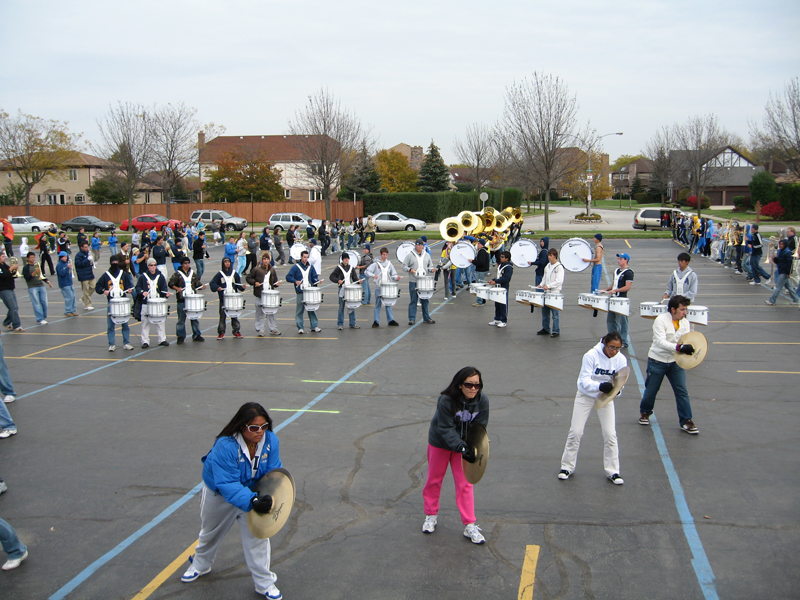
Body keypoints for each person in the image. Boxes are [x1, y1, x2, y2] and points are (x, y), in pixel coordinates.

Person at [181, 402, 284, 600]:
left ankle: (264, 583)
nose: (260, 432)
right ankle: (201, 564)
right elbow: (227, 483)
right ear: (241, 426)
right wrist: (252, 500)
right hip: (219, 494)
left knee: (258, 538)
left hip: (251, 493)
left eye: (264, 426)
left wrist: (269, 496)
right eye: (254, 427)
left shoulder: (271, 441)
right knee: (210, 532)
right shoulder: (225, 445)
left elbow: (274, 472)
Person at [422, 366, 489, 545]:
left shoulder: (483, 401)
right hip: (440, 443)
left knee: (465, 484)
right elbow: (445, 428)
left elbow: (480, 427)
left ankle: (470, 524)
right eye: (469, 385)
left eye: (477, 385)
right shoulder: (446, 400)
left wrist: (474, 448)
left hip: (463, 446)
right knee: (434, 480)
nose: (474, 389)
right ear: (460, 385)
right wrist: (461, 447)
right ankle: (431, 515)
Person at [558, 332, 627, 485]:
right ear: (604, 343)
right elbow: (583, 381)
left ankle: (613, 471)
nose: (614, 351)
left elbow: (621, 383)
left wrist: (615, 391)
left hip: (606, 398)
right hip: (585, 396)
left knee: (610, 434)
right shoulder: (590, 356)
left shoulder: (621, 359)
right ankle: (566, 467)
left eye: (617, 348)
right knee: (576, 432)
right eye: (611, 347)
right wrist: (599, 386)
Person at [638, 295, 699, 434]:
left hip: (675, 362)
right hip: (657, 360)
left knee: (682, 392)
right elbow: (660, 342)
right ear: (673, 309)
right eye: (682, 309)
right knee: (651, 391)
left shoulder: (685, 323)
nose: (685, 312)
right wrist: (679, 348)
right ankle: (645, 412)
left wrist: (689, 349)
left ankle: (686, 420)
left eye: (685, 309)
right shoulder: (660, 320)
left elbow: (687, 339)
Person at [95, 255, 135, 352]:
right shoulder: (106, 275)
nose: (115, 265)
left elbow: (129, 285)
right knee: (111, 325)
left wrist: (129, 289)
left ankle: (126, 342)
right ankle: (112, 344)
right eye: (113, 263)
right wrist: (104, 291)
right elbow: (97, 287)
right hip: (111, 303)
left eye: (116, 263)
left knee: (125, 323)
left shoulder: (123, 274)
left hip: (122, 302)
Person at [169, 256, 206, 344]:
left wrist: (202, 287)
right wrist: (177, 288)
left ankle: (197, 334)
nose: (187, 265)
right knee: (181, 319)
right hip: (182, 299)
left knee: (194, 317)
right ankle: (181, 336)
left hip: (192, 300)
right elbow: (170, 283)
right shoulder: (177, 274)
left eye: (188, 263)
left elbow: (197, 284)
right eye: (185, 263)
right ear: (182, 264)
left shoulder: (193, 273)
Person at [136, 258, 171, 348]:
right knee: (145, 323)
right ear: (148, 266)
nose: (153, 267)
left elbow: (164, 289)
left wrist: (166, 294)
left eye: (155, 265)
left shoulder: (160, 276)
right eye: (151, 265)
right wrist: (142, 292)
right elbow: (138, 287)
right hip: (146, 303)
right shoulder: (143, 277)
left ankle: (162, 339)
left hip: (157, 303)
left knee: (160, 321)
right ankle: (145, 341)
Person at [209, 257, 246, 340]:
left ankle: (236, 330)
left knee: (234, 315)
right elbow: (212, 283)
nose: (227, 264)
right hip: (224, 299)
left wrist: (242, 287)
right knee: (222, 316)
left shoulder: (234, 274)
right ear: (223, 264)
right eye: (225, 262)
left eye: (228, 262)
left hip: (233, 299)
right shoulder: (220, 274)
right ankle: (221, 332)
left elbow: (238, 285)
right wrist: (217, 287)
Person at [246, 252, 282, 337]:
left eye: (267, 259)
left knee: (271, 313)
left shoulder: (272, 270)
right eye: (264, 259)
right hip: (260, 295)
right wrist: (255, 283)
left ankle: (273, 328)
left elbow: (274, 282)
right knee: (260, 313)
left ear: (269, 260)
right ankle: (260, 329)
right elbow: (248, 278)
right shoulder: (256, 269)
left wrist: (276, 284)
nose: (266, 261)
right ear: (262, 260)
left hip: (269, 295)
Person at [285, 250, 320, 334]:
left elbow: (314, 277)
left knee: (311, 309)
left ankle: (314, 326)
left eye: (307, 257)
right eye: (304, 257)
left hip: (309, 292)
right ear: (301, 257)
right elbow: (288, 277)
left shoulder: (311, 267)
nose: (306, 259)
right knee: (300, 310)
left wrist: (317, 281)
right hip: (300, 291)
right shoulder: (296, 267)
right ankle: (300, 327)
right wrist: (295, 281)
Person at [603, 253, 634, 347]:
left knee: (622, 322)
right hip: (613, 299)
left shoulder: (629, 273)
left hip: (621, 300)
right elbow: (613, 284)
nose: (618, 260)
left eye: (621, 259)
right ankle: (612, 339)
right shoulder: (616, 271)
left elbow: (627, 287)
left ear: (626, 260)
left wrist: (615, 290)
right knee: (611, 321)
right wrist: (605, 290)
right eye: (618, 259)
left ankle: (624, 341)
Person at [402, 238, 435, 326]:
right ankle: (412, 319)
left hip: (424, 281)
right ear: (415, 245)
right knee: (413, 300)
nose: (420, 246)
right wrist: (410, 269)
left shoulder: (427, 255)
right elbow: (404, 266)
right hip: (413, 280)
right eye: (418, 245)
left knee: (425, 300)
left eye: (421, 245)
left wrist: (432, 270)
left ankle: (426, 317)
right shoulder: (410, 255)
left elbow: (430, 266)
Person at [365, 247, 400, 327]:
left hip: (388, 288)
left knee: (388, 304)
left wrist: (396, 278)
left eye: (386, 255)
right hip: (379, 287)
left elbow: (393, 274)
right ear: (381, 254)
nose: (385, 256)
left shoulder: (389, 264)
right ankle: (376, 321)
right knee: (378, 304)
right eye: (383, 254)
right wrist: (374, 275)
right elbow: (367, 271)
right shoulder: (375, 264)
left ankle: (390, 320)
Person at [536, 248, 564, 337]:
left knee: (555, 314)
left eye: (551, 255)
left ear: (555, 256)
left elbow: (559, 281)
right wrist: (540, 285)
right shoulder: (547, 266)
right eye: (548, 255)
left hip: (555, 292)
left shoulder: (559, 267)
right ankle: (546, 328)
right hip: (546, 292)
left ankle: (556, 330)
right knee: (545, 312)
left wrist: (549, 286)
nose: (549, 257)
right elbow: (544, 278)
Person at [330, 252, 362, 330]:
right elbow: (331, 276)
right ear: (342, 259)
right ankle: (340, 324)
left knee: (352, 306)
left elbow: (354, 278)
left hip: (350, 290)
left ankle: (352, 323)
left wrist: (358, 281)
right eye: (345, 258)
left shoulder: (351, 268)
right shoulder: (338, 268)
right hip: (342, 289)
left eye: (347, 258)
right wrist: (338, 280)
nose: (346, 260)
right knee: (341, 307)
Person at [766, 239, 800, 305]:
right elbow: (779, 262)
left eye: (782, 244)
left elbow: (789, 264)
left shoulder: (787, 253)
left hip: (784, 272)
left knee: (778, 287)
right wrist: (774, 259)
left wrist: (788, 273)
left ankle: (772, 300)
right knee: (789, 287)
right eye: (780, 244)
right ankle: (796, 299)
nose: (781, 245)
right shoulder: (781, 251)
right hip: (781, 271)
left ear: (785, 245)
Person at [22, 251, 52, 325]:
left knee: (44, 302)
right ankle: (40, 318)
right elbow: (27, 278)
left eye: (34, 257)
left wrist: (47, 281)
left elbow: (41, 275)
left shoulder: (37, 265)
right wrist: (34, 273)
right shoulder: (26, 267)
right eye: (31, 257)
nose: (33, 259)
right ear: (28, 259)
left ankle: (43, 317)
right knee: (37, 303)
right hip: (32, 287)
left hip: (40, 285)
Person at [488, 250, 513, 328]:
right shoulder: (501, 265)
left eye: (502, 257)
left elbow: (506, 279)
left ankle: (504, 320)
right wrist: (494, 279)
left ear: (507, 258)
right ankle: (497, 318)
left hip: (503, 288)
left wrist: (496, 281)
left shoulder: (508, 267)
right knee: (497, 303)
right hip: (498, 287)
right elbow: (500, 276)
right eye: (501, 256)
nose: (500, 258)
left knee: (503, 304)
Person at [0, 252, 23, 332]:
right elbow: (2, 276)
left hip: (10, 288)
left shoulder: (5, 265)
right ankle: (17, 325)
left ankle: (6, 322)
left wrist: (14, 271)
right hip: (3, 289)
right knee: (13, 307)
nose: (4, 258)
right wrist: (10, 269)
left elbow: (9, 275)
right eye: (2, 256)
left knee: (14, 307)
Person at [74, 241, 95, 312]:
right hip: (83, 274)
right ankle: (87, 305)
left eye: (87, 247)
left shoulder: (88, 253)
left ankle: (83, 298)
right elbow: (78, 264)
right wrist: (87, 260)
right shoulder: (79, 255)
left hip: (90, 273)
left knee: (93, 287)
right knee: (86, 290)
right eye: (85, 247)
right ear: (81, 247)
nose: (87, 248)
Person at [470, 238, 491, 307]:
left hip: (481, 271)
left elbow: (481, 262)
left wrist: (473, 261)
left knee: (479, 286)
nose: (477, 245)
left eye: (478, 243)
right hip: (483, 270)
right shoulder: (484, 250)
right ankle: (483, 300)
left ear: (481, 244)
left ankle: (479, 301)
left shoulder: (482, 252)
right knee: (481, 285)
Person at [56, 251, 78, 317]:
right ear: (61, 257)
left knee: (73, 297)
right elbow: (61, 273)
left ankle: (72, 310)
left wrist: (71, 282)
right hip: (64, 284)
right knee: (69, 297)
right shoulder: (59, 265)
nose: (66, 258)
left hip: (69, 283)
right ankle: (67, 311)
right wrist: (67, 268)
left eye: (66, 256)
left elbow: (69, 274)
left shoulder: (66, 264)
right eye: (64, 257)